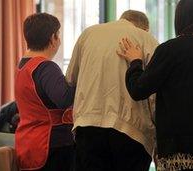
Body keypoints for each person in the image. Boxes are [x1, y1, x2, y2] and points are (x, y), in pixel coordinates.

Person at [117, 0, 193, 170]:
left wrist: (135, 61)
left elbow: (138, 89)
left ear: (180, 18)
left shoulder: (169, 50)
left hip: (178, 153)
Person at [66, 10, 158, 171]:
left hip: (88, 125)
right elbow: (154, 95)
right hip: (130, 130)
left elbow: (70, 79)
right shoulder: (146, 39)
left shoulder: (88, 34)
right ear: (144, 28)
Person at [15, 13, 75, 171]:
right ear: (52, 38)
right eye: (58, 35)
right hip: (51, 144)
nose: (60, 40)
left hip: (28, 141)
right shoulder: (46, 67)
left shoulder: (23, 65)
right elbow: (64, 99)